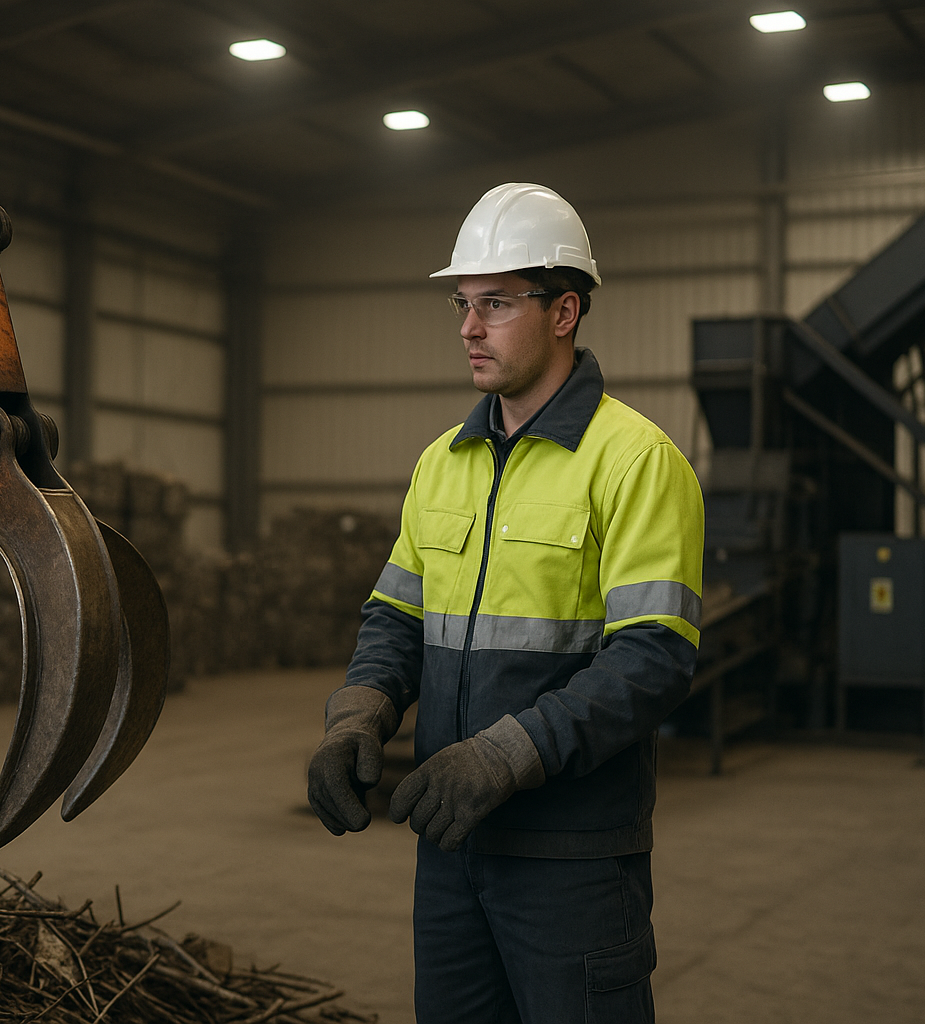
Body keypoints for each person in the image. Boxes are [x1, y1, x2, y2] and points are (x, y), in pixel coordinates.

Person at [306, 183, 704, 1023]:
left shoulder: (635, 461)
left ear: (565, 311)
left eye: (495, 303)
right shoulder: (441, 463)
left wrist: (504, 756)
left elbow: (654, 658)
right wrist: (357, 716)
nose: (468, 327)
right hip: (451, 851)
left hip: (572, 864)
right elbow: (396, 620)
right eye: (462, 302)